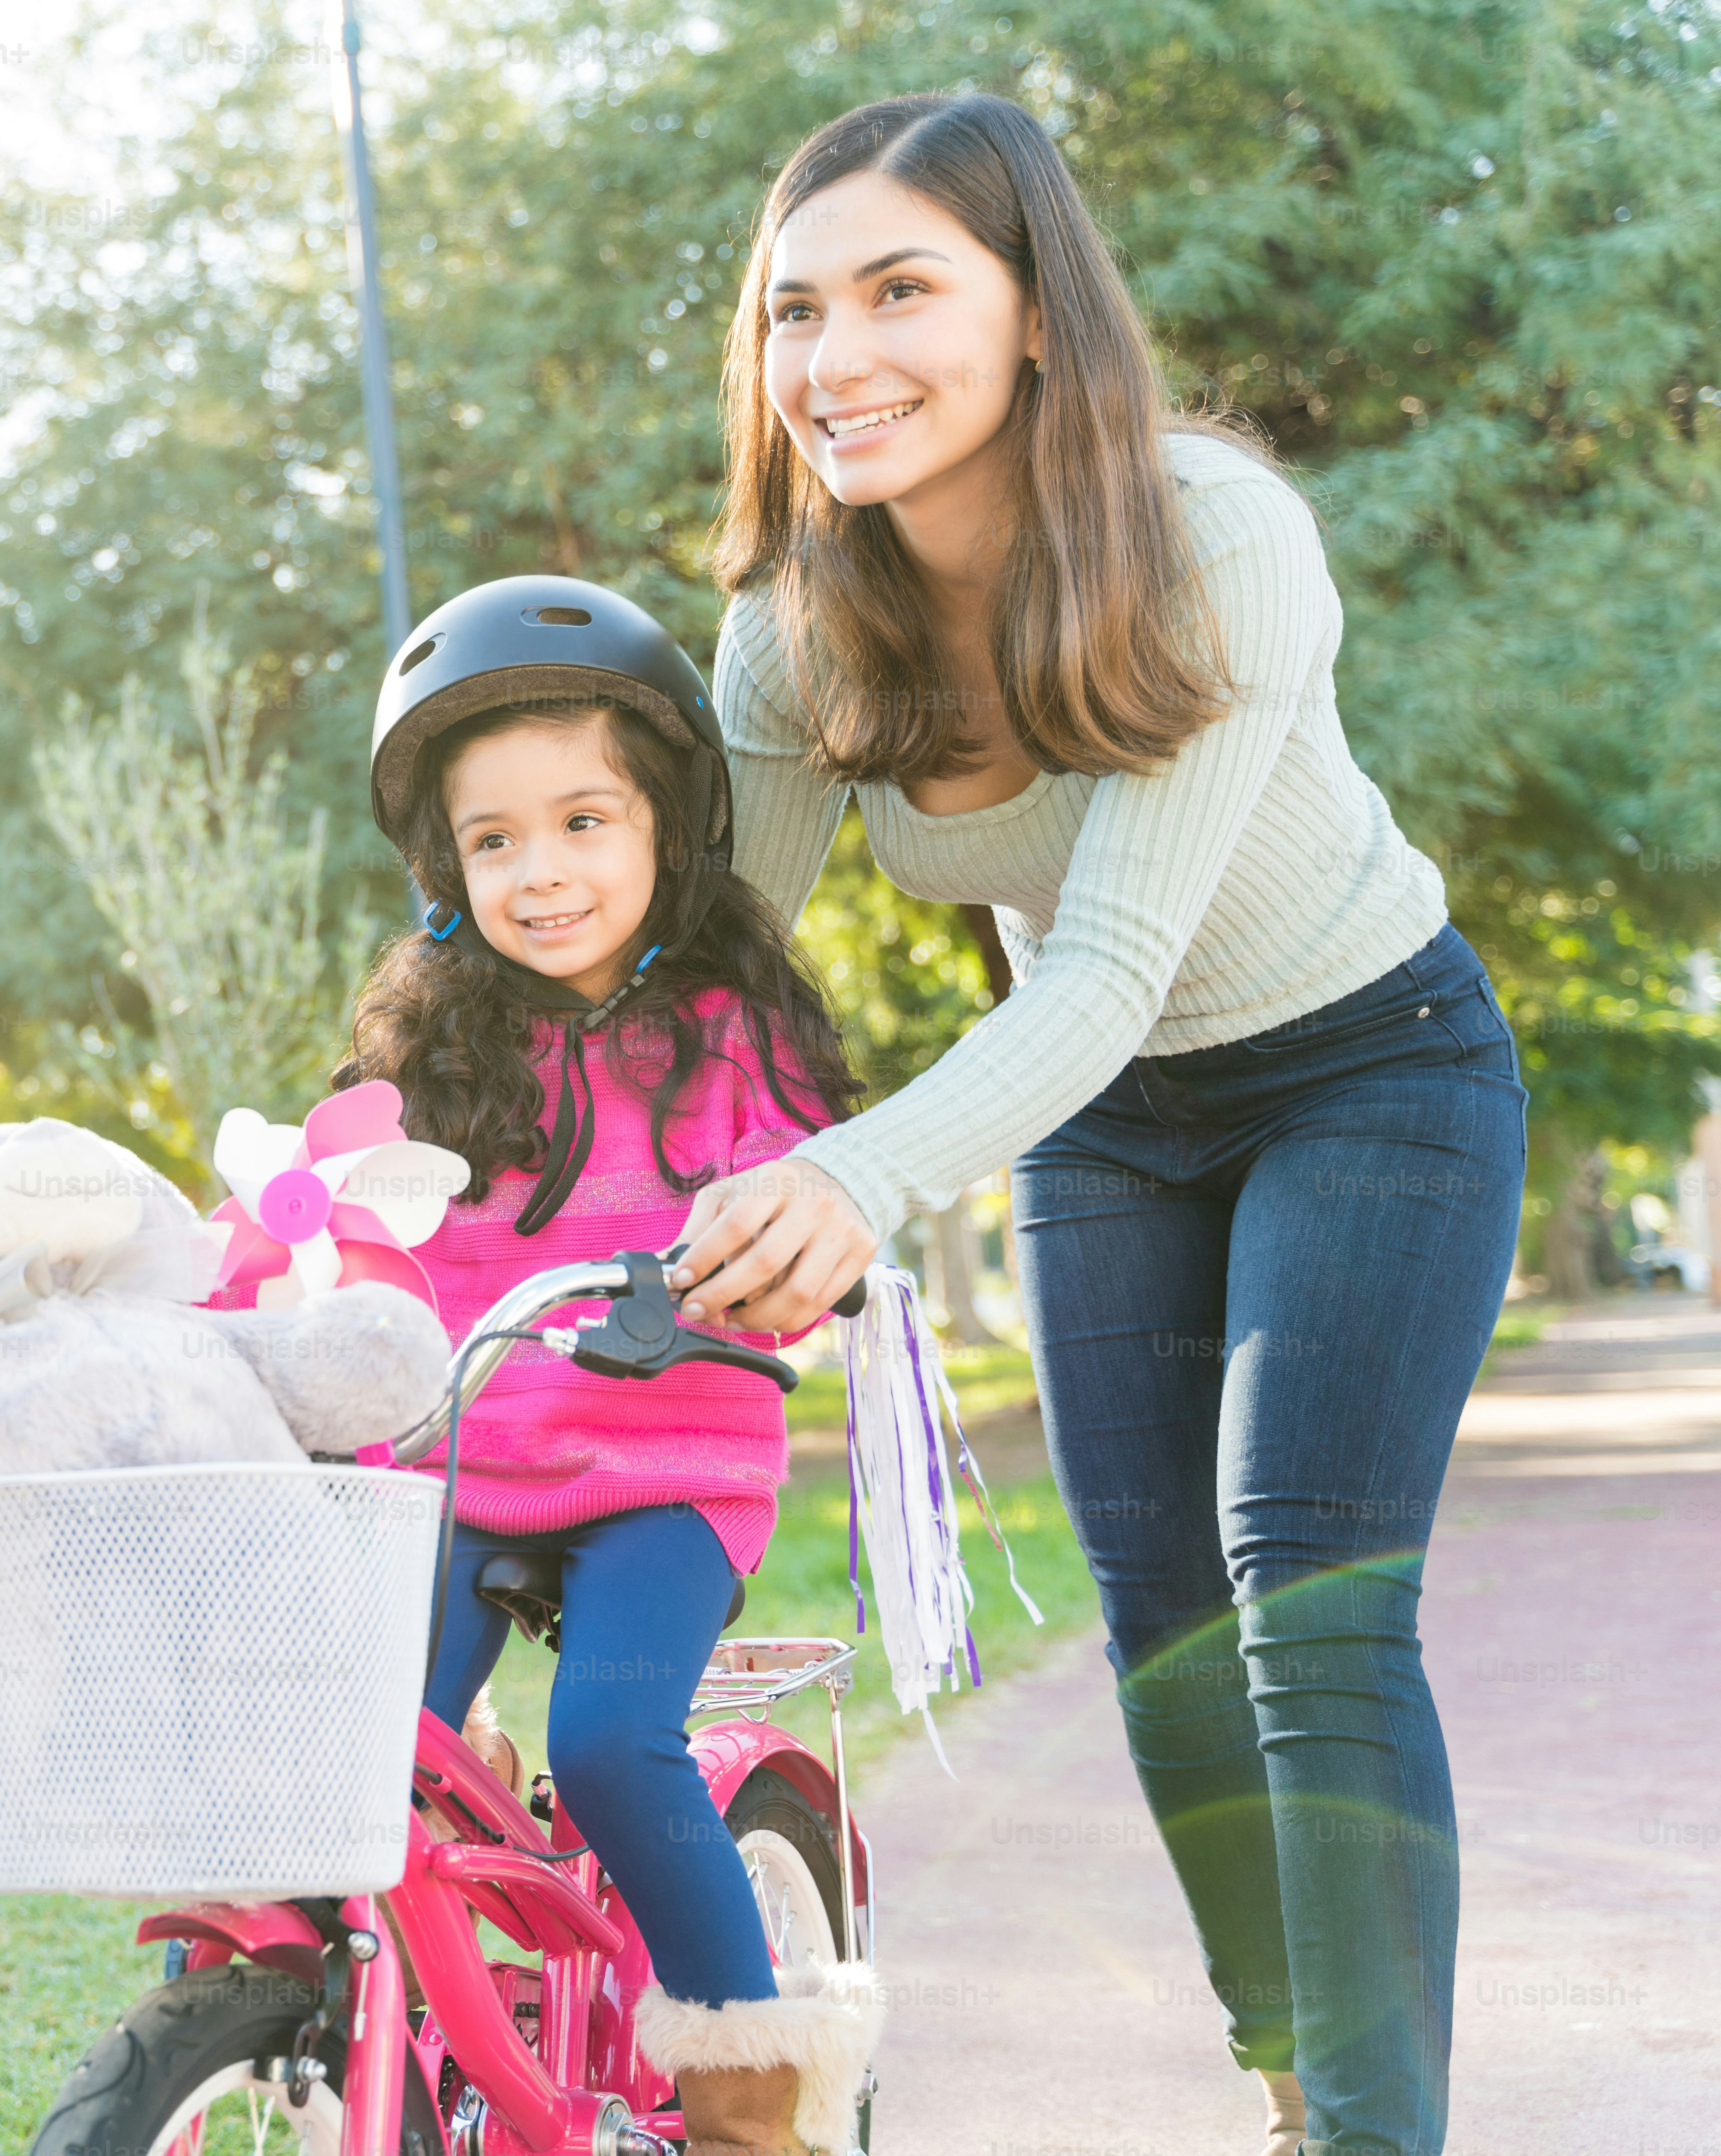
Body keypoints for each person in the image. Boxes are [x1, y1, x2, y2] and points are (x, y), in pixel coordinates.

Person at [660, 91, 1527, 2156]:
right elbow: (708, 983)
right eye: (794, 311)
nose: (834, 356)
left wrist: (854, 1176)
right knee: (1158, 1630)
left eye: (899, 291)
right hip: (1109, 1121)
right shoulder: (792, 630)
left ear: (1035, 313)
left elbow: (1107, 961)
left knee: (1300, 1590)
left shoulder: (1212, 532)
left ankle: (1376, 2132)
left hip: (1371, 1065)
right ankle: (1287, 2073)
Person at [341, 574, 880, 2156]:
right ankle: (350, 2032)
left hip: (663, 1476)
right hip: (460, 1466)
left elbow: (793, 1209)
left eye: (581, 821)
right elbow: (359, 1230)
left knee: (610, 1740)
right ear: (448, 868)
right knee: (345, 1744)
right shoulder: (433, 1044)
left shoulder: (729, 1029)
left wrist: (752, 1263)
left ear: (664, 827)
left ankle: (747, 2112)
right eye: (493, 840)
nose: (540, 870)